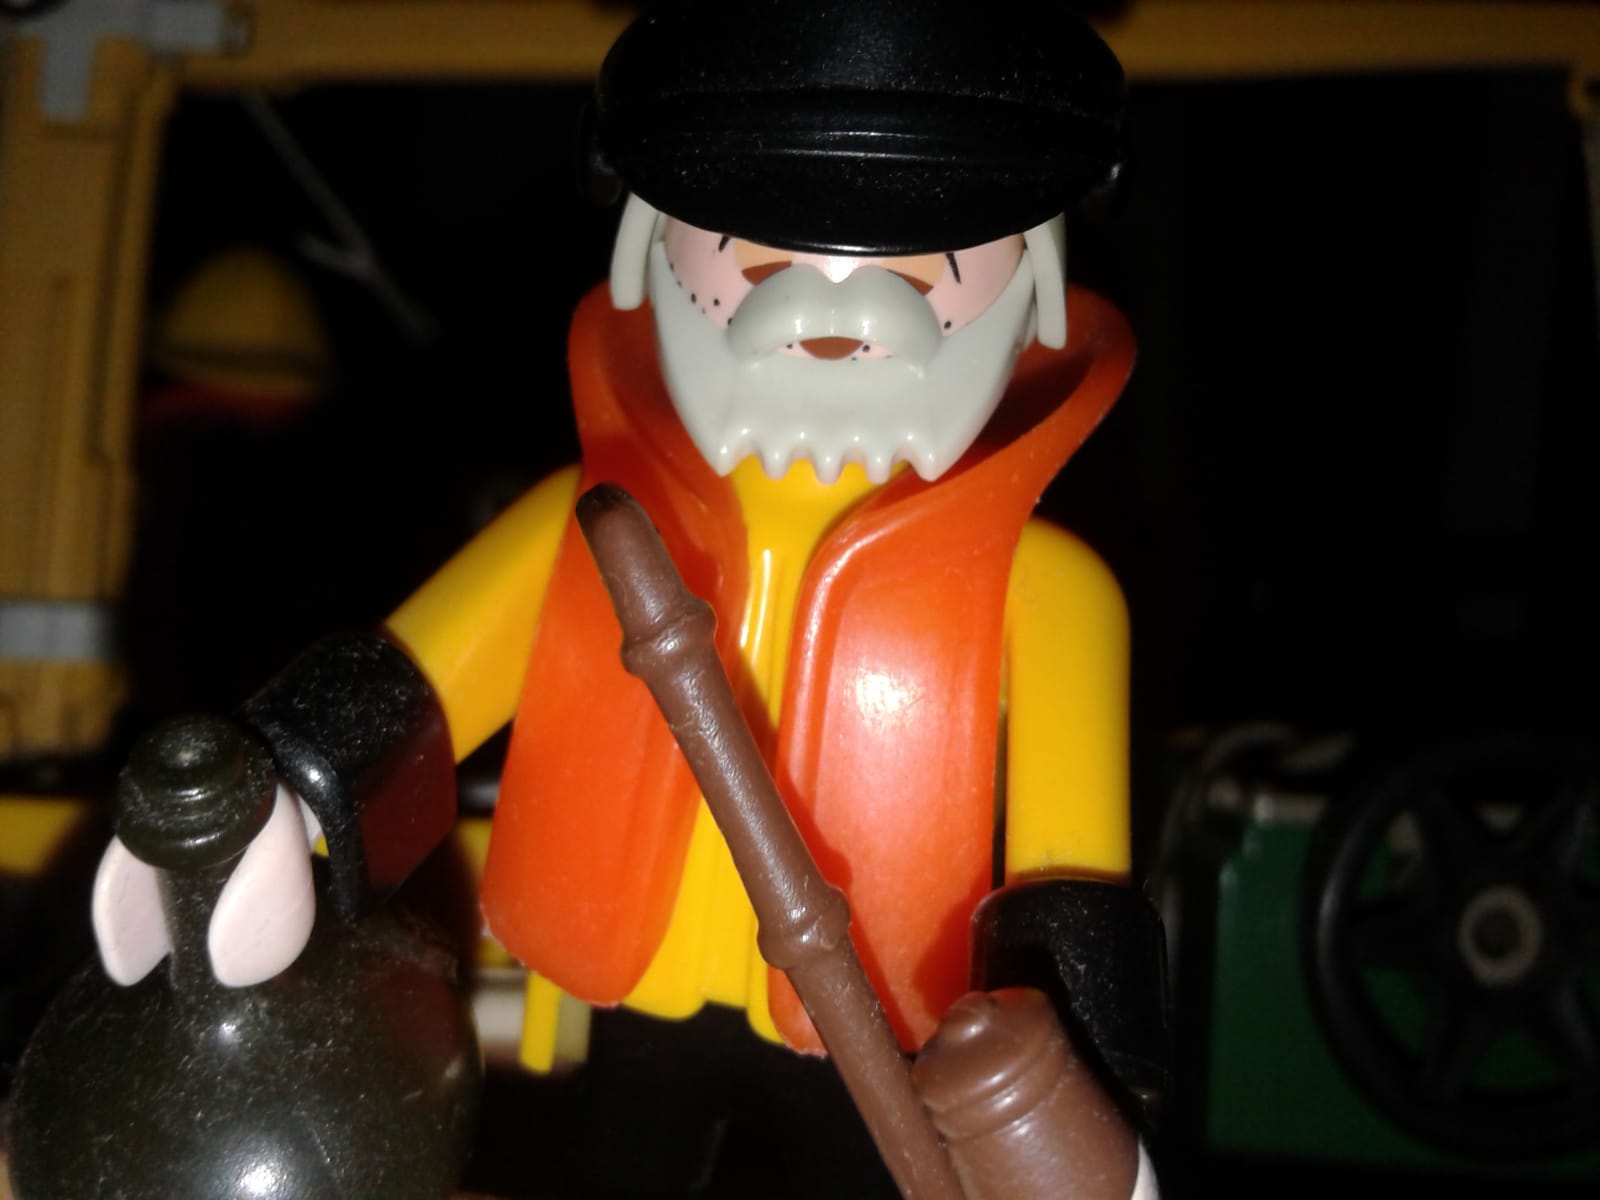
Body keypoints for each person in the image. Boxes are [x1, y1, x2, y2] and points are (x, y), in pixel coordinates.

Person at [94, 2, 1165, 1194]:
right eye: (750, 256)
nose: (835, 306)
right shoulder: (591, 522)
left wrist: (1083, 1113)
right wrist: (274, 799)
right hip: (632, 997)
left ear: (1039, 288)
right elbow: (420, 682)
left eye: (931, 270)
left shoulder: (1043, 592)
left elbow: (1073, 886)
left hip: (885, 1036)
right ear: (645, 248)